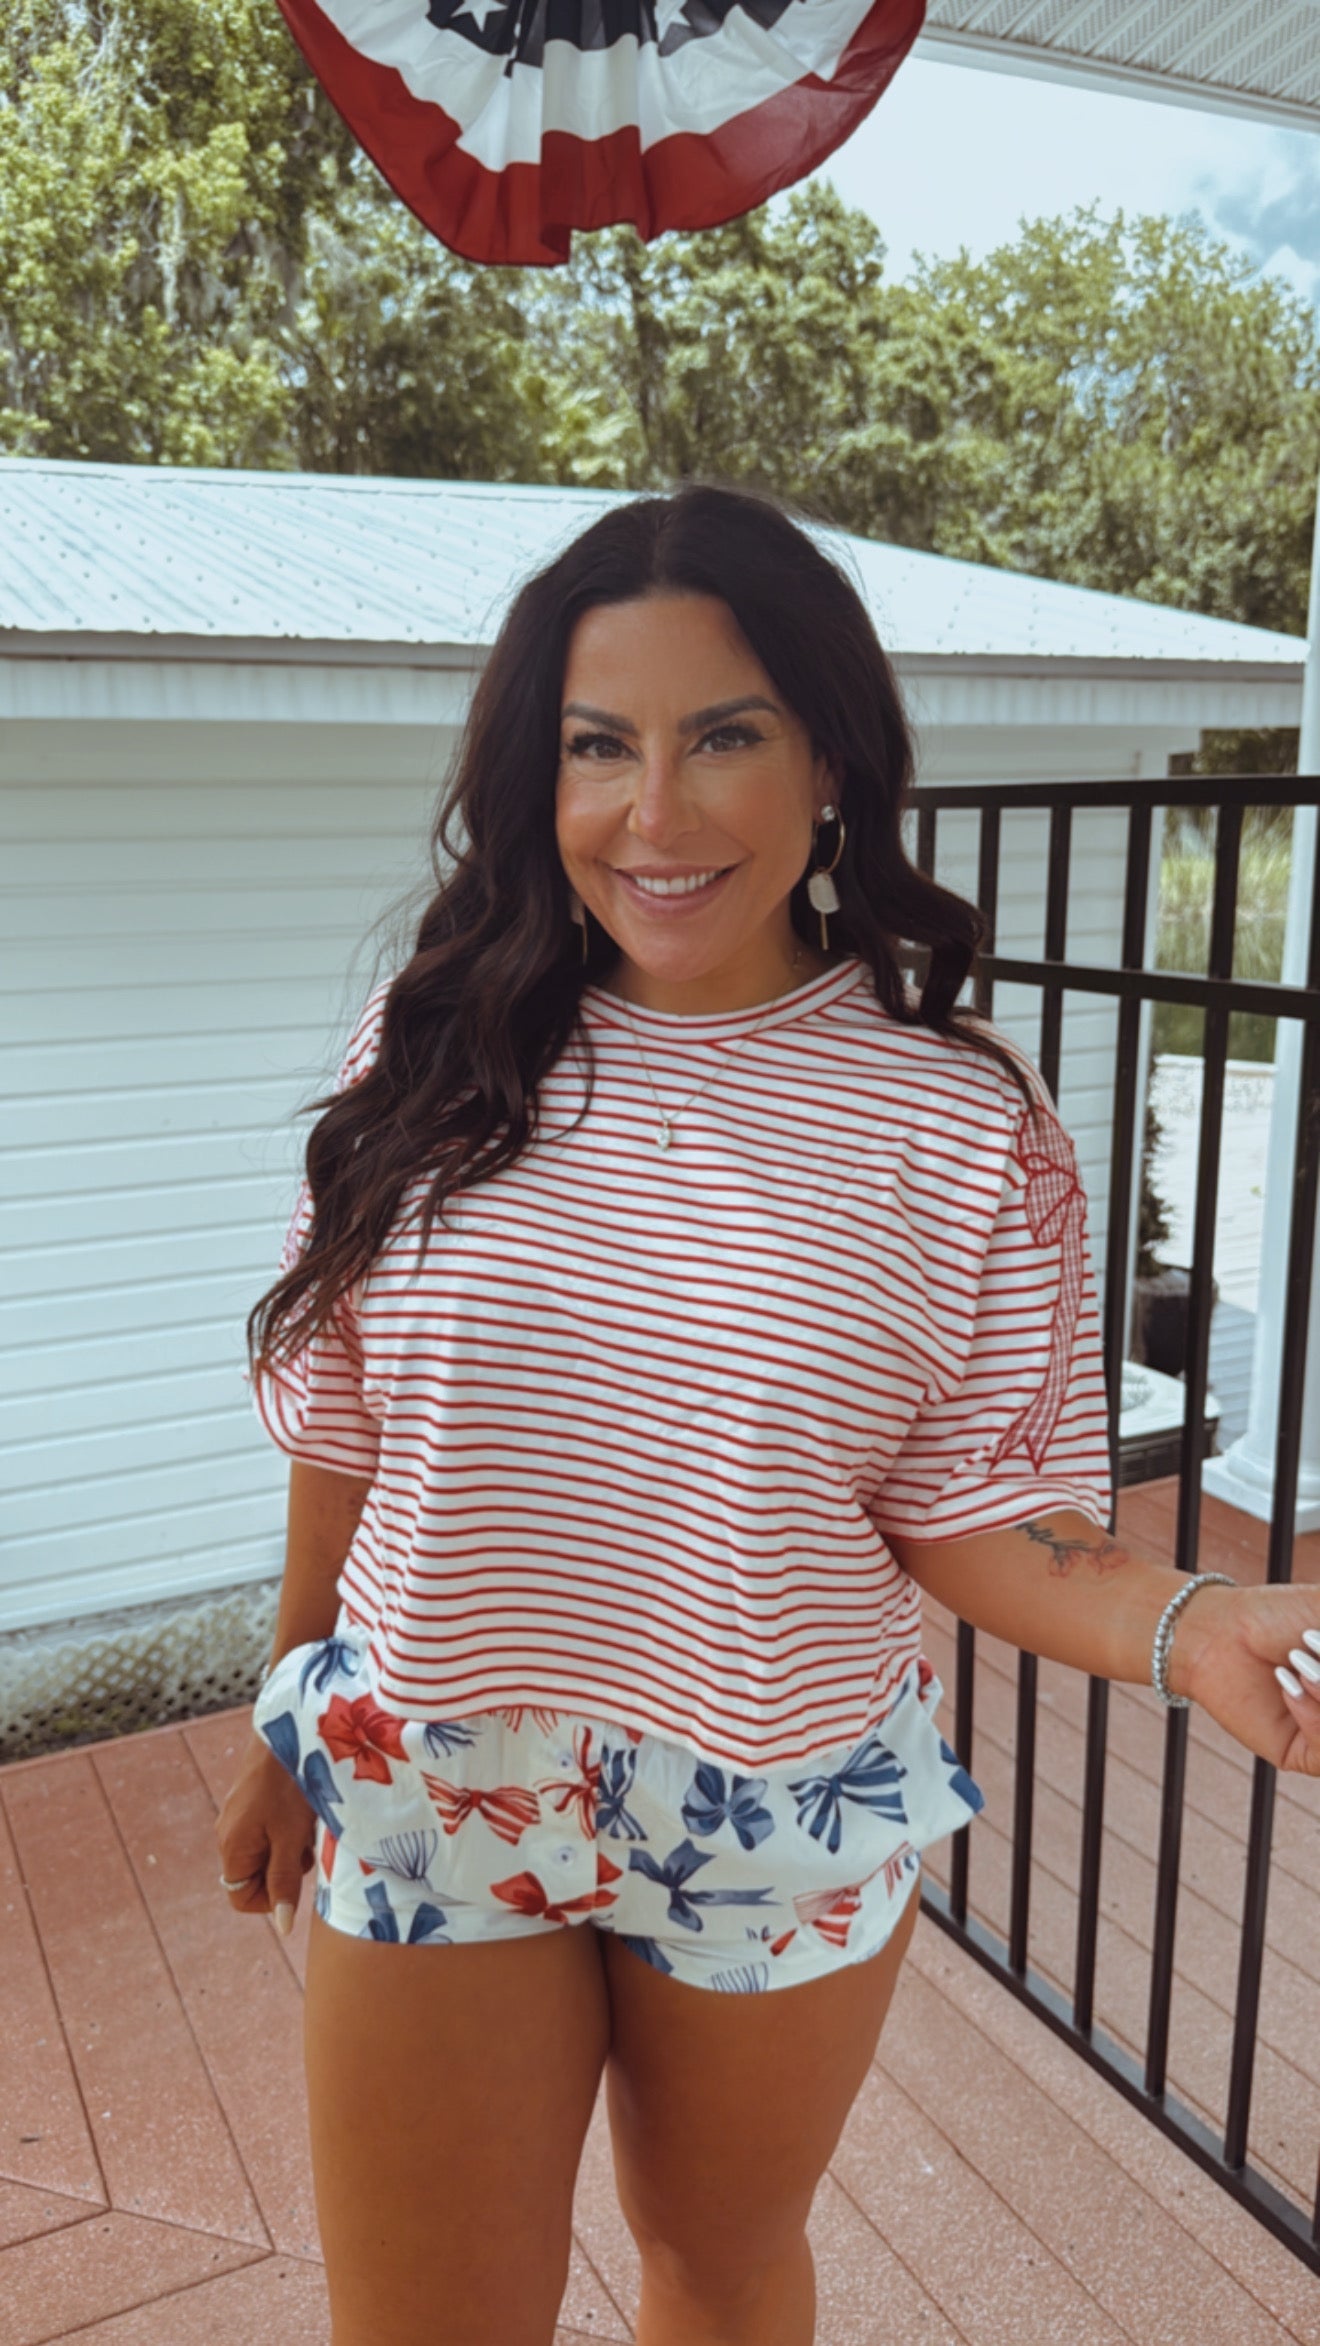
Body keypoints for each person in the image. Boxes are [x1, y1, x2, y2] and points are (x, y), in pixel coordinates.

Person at [215, 482, 1320, 2346]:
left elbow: (969, 1506)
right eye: (599, 745)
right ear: (539, 775)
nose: (655, 812)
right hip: (437, 1756)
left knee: (717, 2270)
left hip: (780, 1787)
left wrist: (1191, 1622)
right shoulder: (435, 1046)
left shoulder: (960, 1120)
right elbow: (348, 1428)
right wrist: (283, 1720)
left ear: (830, 759)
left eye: (723, 735)